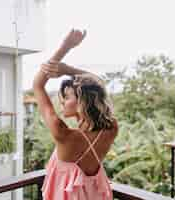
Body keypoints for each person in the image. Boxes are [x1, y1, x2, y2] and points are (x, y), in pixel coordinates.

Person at [33, 29, 118, 200]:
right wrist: (67, 70)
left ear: (82, 101)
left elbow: (37, 84)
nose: (62, 101)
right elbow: (98, 84)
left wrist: (65, 47)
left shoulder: (62, 132)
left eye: (67, 97)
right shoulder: (111, 129)